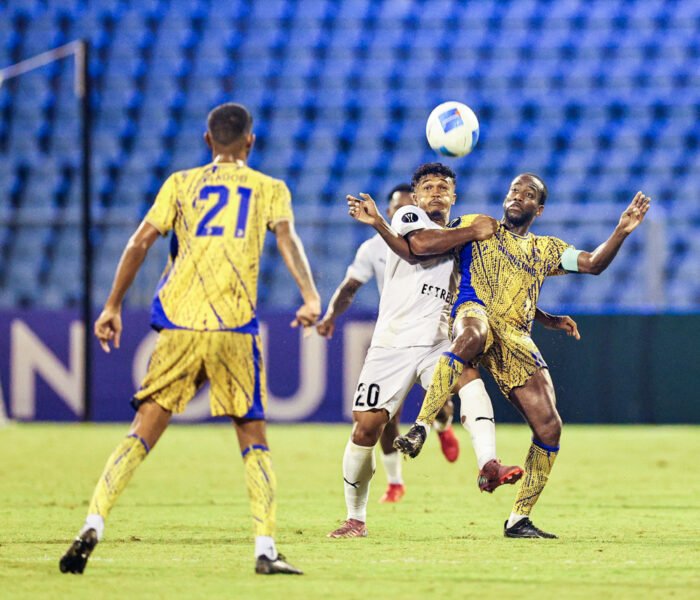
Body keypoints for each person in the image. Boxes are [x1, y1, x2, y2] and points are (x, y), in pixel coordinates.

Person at [59, 103, 321, 575]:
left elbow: (140, 242)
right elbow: (287, 238)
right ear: (250, 141)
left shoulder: (180, 184)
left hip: (179, 325)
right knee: (252, 437)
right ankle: (265, 549)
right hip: (233, 328)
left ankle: (92, 522)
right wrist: (309, 295)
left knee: (142, 430)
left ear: (207, 140)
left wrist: (113, 305)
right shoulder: (269, 188)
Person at [395, 173, 650, 539]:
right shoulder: (477, 225)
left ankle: (518, 519)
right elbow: (424, 246)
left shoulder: (546, 249)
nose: (517, 196)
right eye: (514, 190)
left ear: (539, 209)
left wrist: (621, 231)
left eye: (528, 194)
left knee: (550, 426)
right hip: (473, 311)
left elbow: (592, 263)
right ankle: (421, 427)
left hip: (515, 334)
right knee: (472, 334)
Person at [328, 163, 525, 539]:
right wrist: (473, 231)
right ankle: (356, 518)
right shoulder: (409, 216)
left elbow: (496, 282)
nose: (435, 192)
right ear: (416, 197)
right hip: (392, 344)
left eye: (443, 187)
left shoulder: (464, 239)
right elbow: (418, 249)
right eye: (428, 187)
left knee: (469, 380)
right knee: (366, 429)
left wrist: (543, 315)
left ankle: (489, 465)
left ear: (453, 197)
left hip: (438, 342)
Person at [317, 183, 460, 505]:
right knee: (383, 416)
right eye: (397, 207)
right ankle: (395, 481)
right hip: (395, 333)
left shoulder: (439, 240)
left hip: (432, 330)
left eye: (410, 206)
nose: (404, 212)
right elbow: (350, 286)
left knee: (441, 397)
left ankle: (443, 425)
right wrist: (330, 316)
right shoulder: (373, 248)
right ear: (389, 211)